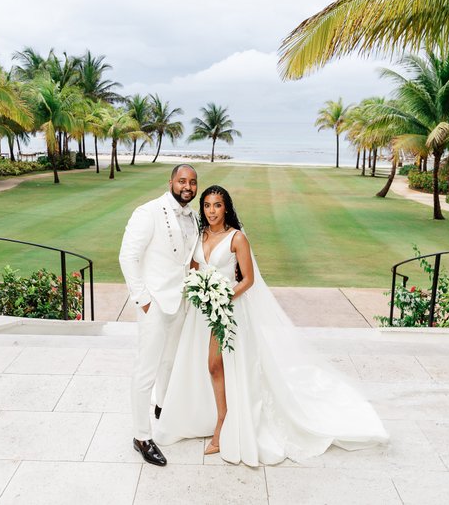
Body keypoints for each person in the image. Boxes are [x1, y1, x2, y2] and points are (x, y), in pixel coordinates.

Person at [154, 185, 389, 466]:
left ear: (226, 208)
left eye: (217, 205)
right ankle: (202, 415)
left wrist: (223, 297)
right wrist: (196, 289)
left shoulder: (237, 238)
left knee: (216, 364)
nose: (211, 211)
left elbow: (248, 279)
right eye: (206, 205)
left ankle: (223, 422)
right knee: (200, 363)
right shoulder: (200, 234)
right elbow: (194, 268)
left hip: (228, 310)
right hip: (201, 311)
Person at [118, 164, 199, 467]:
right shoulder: (148, 212)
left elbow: (187, 259)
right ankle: (141, 437)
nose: (187, 186)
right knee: (146, 370)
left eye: (192, 182)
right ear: (171, 182)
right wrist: (143, 300)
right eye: (182, 181)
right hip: (154, 303)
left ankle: (162, 408)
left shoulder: (194, 217)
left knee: (170, 363)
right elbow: (128, 256)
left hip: (181, 302)